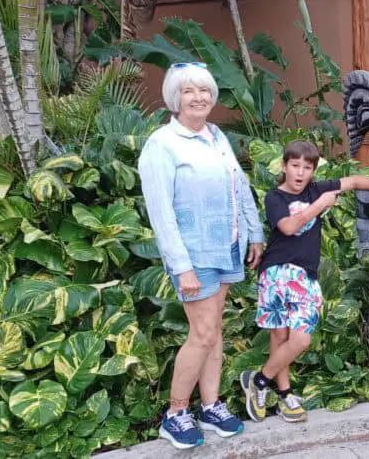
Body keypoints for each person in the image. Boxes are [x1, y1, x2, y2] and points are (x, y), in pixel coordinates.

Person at [239, 140, 369, 423]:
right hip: (275, 273)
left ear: (312, 171)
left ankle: (258, 380)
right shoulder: (275, 197)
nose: (300, 173)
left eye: (307, 168)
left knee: (301, 339)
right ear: (284, 166)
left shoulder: (316, 189)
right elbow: (288, 226)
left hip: (304, 277)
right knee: (280, 337)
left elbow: (355, 180)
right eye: (295, 166)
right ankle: (284, 394)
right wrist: (318, 206)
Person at [138, 62, 262, 449]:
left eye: (205, 90)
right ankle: (176, 413)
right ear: (176, 97)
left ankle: (210, 406)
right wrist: (181, 266)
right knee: (203, 333)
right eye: (190, 91)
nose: (199, 97)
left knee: (215, 332)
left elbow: (239, 186)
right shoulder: (162, 144)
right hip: (193, 255)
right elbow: (161, 212)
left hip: (226, 245)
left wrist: (254, 232)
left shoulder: (216, 136)